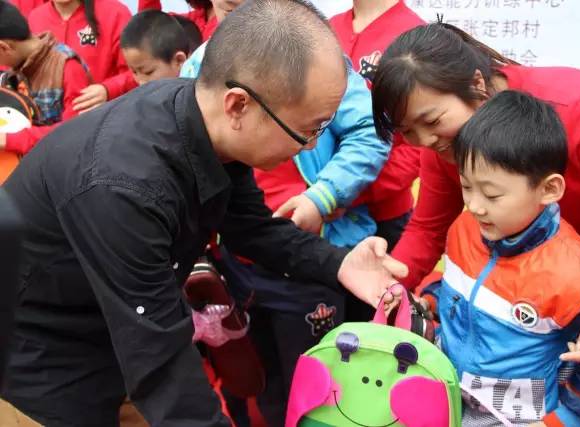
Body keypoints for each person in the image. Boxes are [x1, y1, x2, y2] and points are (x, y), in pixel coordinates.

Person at [0, 1, 407, 426]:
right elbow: (160, 359)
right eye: (307, 130)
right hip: (42, 353)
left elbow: (252, 229)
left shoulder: (204, 124)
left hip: (114, 333)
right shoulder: (125, 185)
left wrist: (340, 264)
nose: (311, 146)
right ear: (238, 105)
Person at [371, 23, 580, 372]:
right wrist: (387, 284)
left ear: (477, 84)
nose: (425, 141)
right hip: (537, 312)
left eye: (432, 121)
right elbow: (428, 230)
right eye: (407, 131)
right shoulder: (445, 144)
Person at [427, 89, 580, 426]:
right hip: (448, 398)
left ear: (549, 189)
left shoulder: (577, 275)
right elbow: (457, 289)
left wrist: (562, 420)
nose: (475, 206)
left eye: (492, 194)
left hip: (521, 418)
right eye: (466, 187)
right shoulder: (464, 229)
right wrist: (426, 302)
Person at [329, 0, 425, 251]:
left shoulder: (416, 35)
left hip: (383, 212)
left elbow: (420, 146)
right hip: (316, 202)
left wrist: (348, 190)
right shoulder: (325, 28)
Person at [0, 1, 90, 154]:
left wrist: (9, 140)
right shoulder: (14, 68)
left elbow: (75, 131)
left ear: (3, 47)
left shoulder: (68, 67)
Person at [28, 0, 136, 113]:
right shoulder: (35, 18)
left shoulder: (114, 13)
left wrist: (108, 89)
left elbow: (139, 71)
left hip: (104, 114)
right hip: (49, 119)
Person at [121, 10, 191, 86]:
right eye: (134, 72)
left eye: (148, 72)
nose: (141, 83)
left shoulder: (198, 90)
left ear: (179, 60)